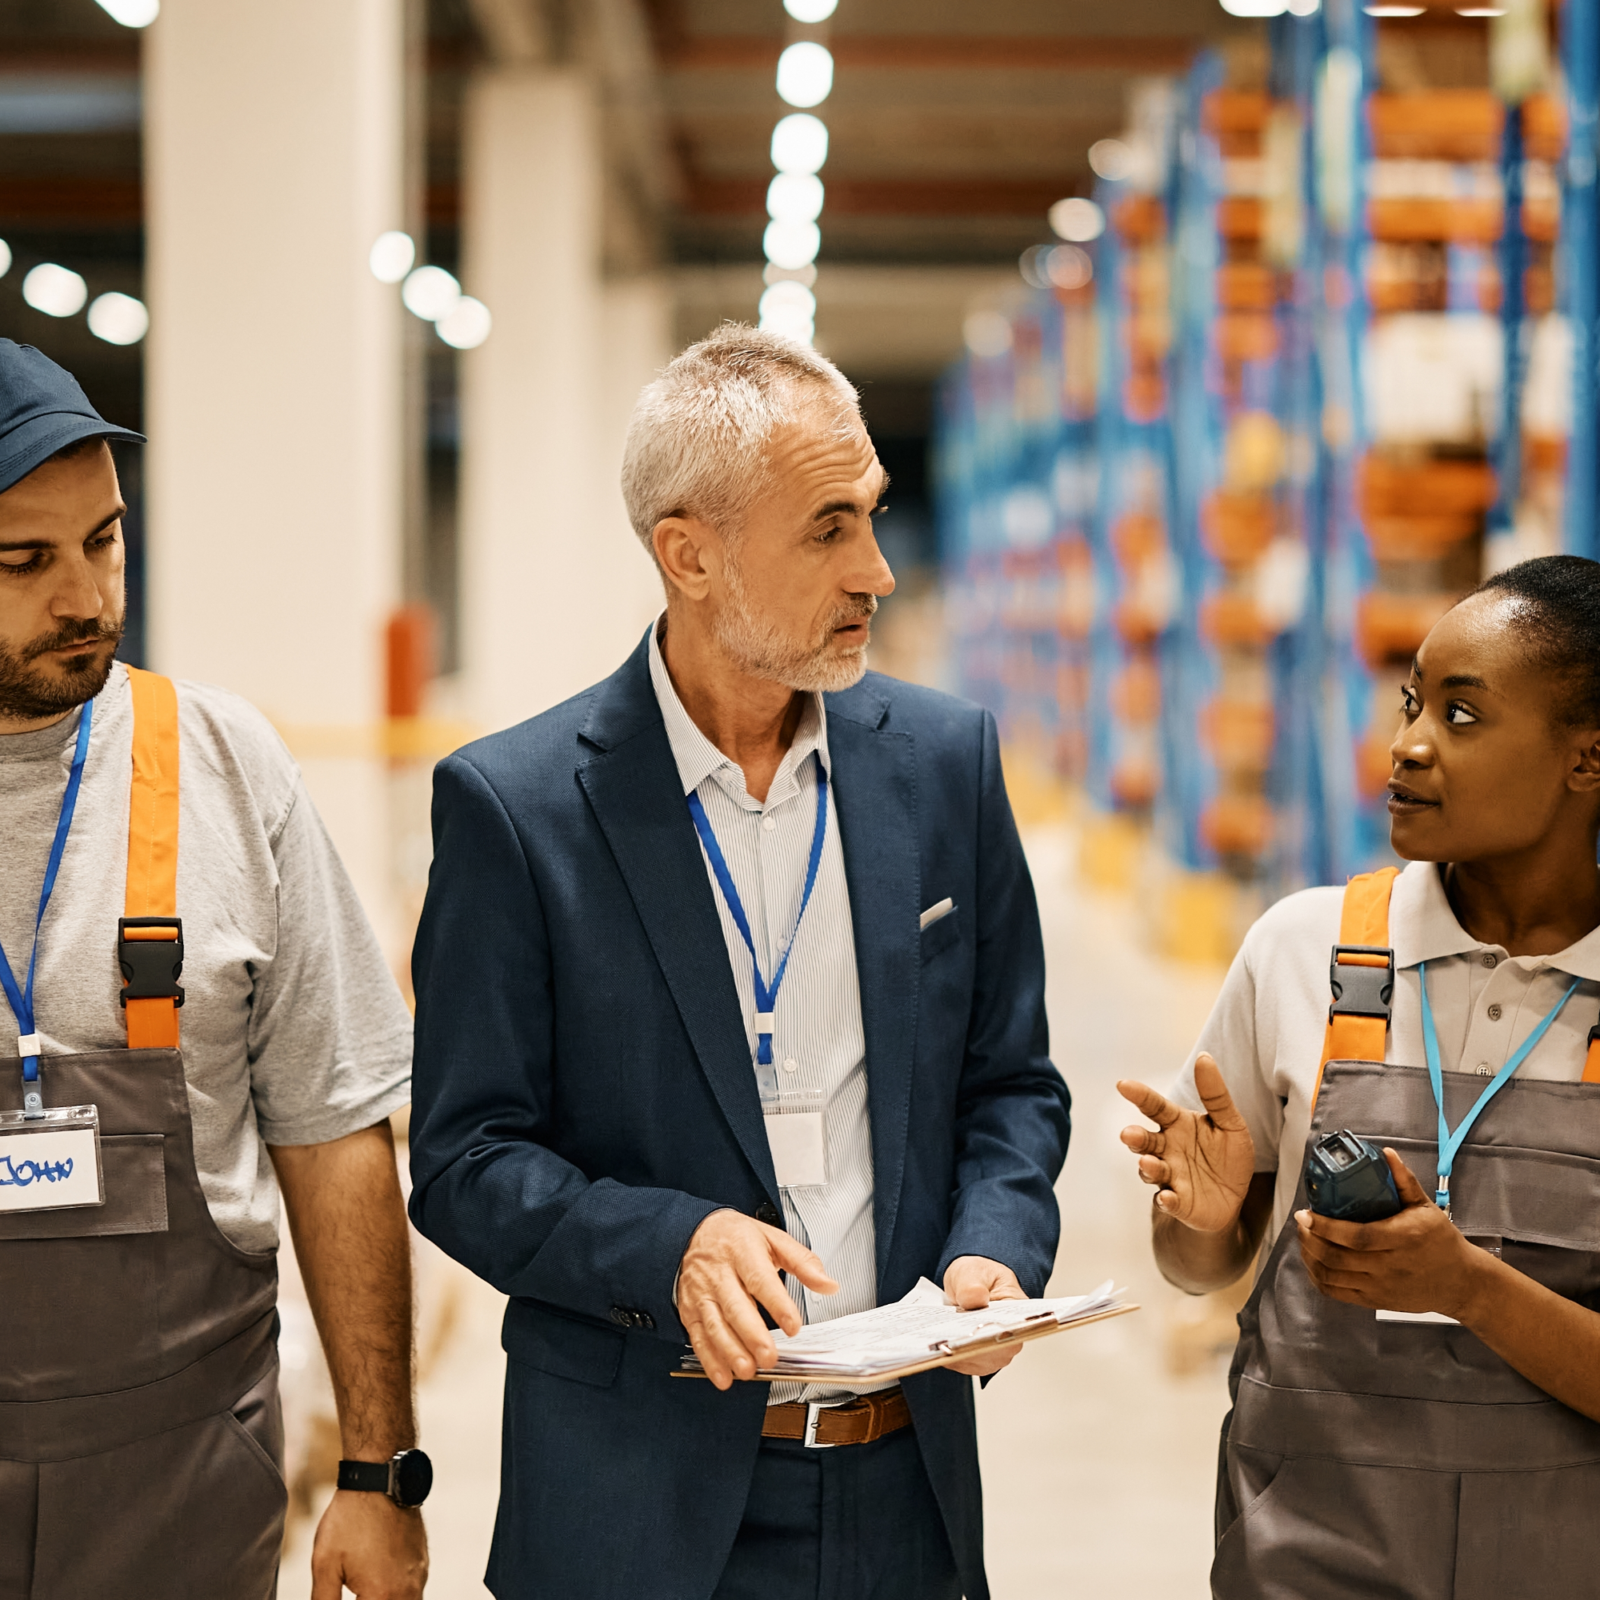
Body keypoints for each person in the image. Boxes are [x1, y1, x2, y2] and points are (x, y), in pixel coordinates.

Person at [407, 325, 1071, 1600]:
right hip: (633, 1506)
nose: (876, 569)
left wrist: (999, 1242)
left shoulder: (944, 766)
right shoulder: (517, 808)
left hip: (903, 1495)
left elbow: (1011, 1083)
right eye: (828, 530)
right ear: (689, 554)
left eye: (873, 516)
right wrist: (668, 1241)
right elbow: (464, 1158)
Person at [0, 340, 429, 1599]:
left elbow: (336, 1129)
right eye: (24, 560)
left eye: (106, 540)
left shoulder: (225, 769)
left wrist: (375, 1469)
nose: (84, 595)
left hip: (180, 1487)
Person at [1118, 554, 1600, 1596]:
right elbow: (1201, 1267)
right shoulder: (1304, 948)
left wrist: (1466, 1287)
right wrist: (1201, 1218)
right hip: (1304, 1560)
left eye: (1462, 717)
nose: (1408, 745)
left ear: (1585, 760)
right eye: (1412, 701)